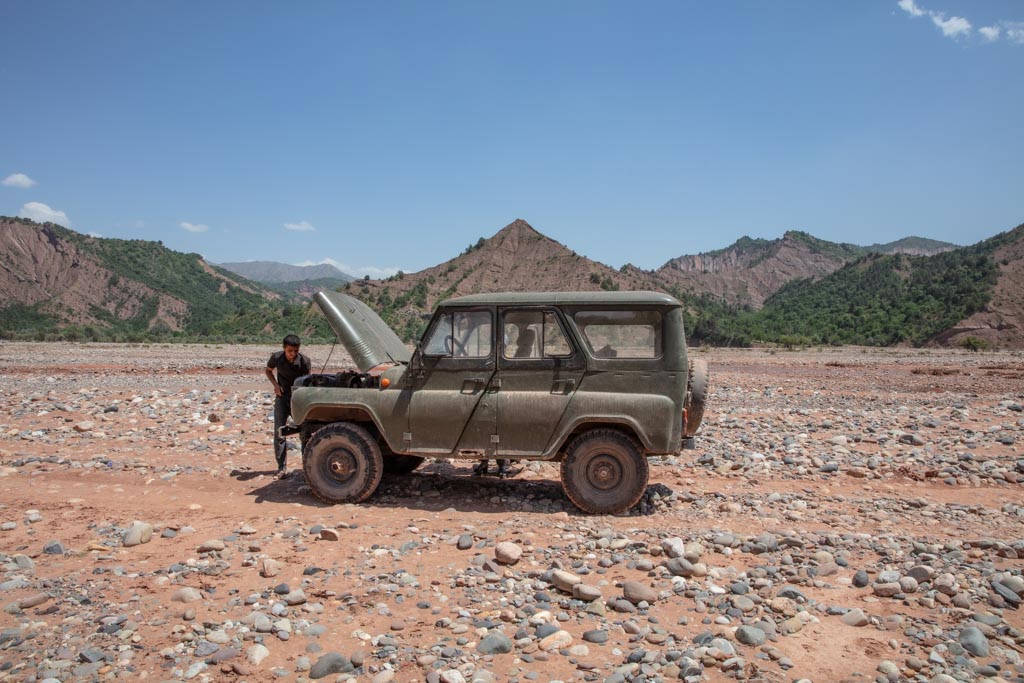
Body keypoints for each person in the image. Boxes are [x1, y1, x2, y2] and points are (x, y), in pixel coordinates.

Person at [265, 334, 311, 479]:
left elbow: (307, 381)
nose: (293, 354)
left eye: (296, 351)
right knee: (279, 432)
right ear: (284, 348)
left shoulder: (304, 361)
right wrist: (275, 386)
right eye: (290, 351)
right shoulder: (276, 358)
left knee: (304, 432)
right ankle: (281, 468)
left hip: (297, 400)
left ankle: (307, 467)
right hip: (282, 398)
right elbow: (268, 371)